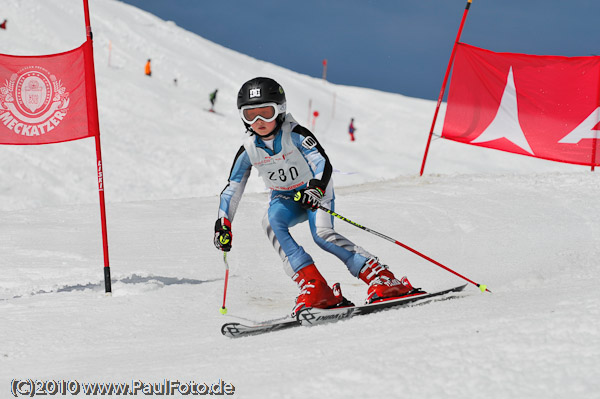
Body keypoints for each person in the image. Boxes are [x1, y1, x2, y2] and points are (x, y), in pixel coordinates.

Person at [214, 77, 419, 315]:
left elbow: (322, 163)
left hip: (314, 192)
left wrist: (315, 189)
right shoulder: (248, 149)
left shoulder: (296, 134)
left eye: (266, 113)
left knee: (322, 234)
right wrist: (223, 224)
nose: (259, 121)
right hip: (285, 199)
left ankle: (382, 278)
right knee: (270, 223)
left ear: (280, 110)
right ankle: (316, 287)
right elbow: (232, 188)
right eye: (251, 115)